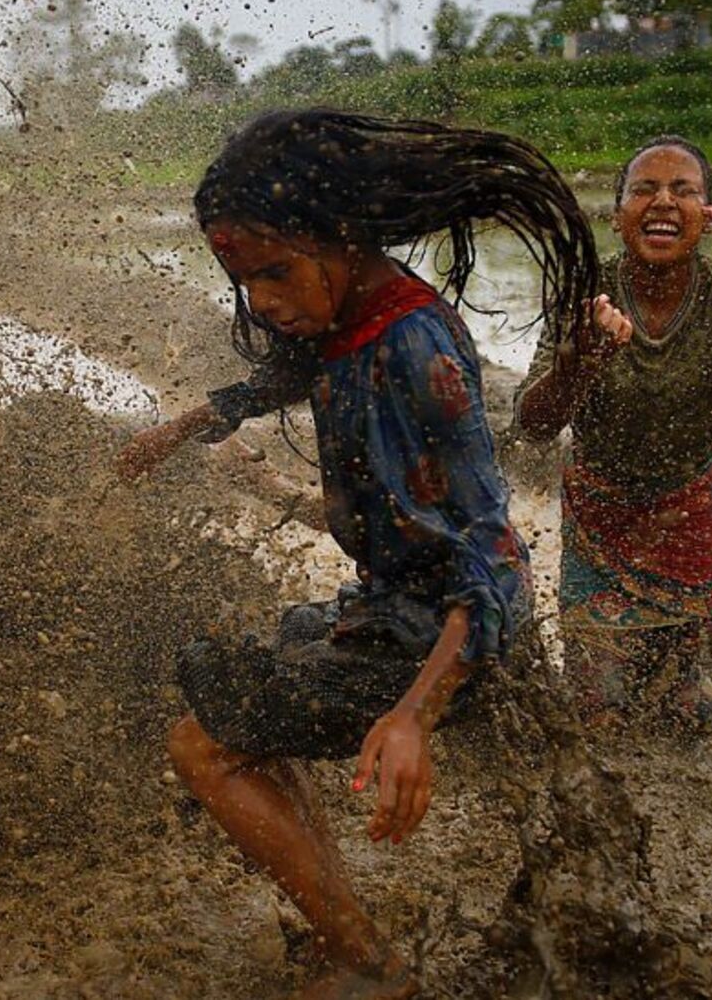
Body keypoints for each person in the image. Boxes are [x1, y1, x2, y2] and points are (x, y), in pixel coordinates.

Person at [154, 111, 599, 998]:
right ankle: (346, 933)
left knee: (203, 746)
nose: (265, 302)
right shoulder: (348, 318)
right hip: (391, 609)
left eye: (277, 271)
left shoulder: (415, 346)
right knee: (249, 690)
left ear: (344, 240)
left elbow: (494, 554)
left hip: (448, 638)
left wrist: (414, 717)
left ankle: (365, 959)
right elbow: (294, 368)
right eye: (246, 281)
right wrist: (197, 422)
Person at [512, 136, 712, 726]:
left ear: (709, 216)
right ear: (618, 217)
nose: (663, 201)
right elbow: (532, 424)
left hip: (696, 518)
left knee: (702, 709)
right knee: (599, 713)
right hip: (602, 522)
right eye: (644, 190)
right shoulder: (585, 292)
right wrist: (577, 360)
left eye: (683, 191)